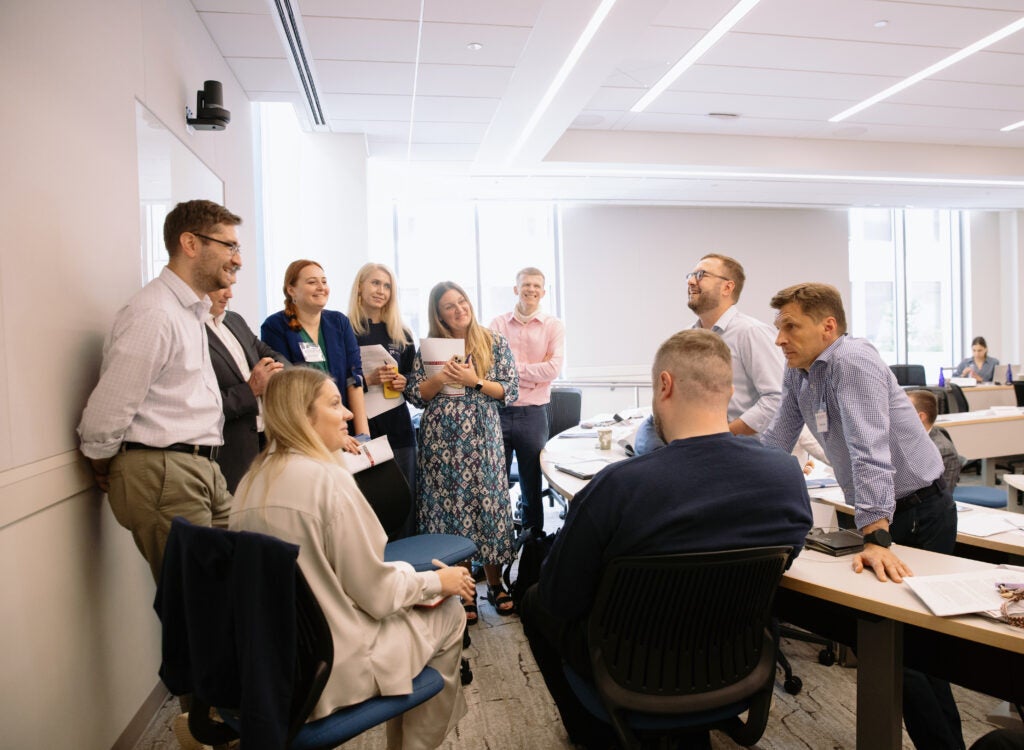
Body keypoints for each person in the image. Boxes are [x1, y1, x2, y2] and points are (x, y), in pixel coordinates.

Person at [520, 329, 813, 749]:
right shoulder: (785, 475)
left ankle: (594, 733)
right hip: (733, 666)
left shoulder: (617, 487)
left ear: (664, 385)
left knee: (534, 601)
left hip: (630, 670)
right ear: (728, 391)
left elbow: (561, 599)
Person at [759, 282, 964, 750]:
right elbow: (776, 440)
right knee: (908, 653)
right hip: (885, 513)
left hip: (918, 510)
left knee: (909, 656)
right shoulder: (800, 373)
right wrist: (731, 478)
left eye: (791, 326)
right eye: (779, 327)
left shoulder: (853, 360)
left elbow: (870, 450)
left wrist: (877, 536)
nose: (780, 339)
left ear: (827, 326)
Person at [229, 368, 473, 750]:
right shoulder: (327, 479)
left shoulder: (250, 482)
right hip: (331, 666)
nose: (347, 414)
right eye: (334, 404)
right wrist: (437, 582)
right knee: (450, 612)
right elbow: (376, 594)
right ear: (302, 416)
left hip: (273, 662)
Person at [77, 199, 241, 582]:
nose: (237, 259)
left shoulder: (189, 311)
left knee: (224, 601)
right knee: (198, 610)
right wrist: (106, 461)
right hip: (167, 470)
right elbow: (108, 409)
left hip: (199, 469)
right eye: (229, 246)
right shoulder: (156, 312)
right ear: (190, 243)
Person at [406, 281, 519, 623]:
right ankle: (466, 590)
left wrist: (474, 380)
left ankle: (497, 584)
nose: (459, 309)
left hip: (482, 438)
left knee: (490, 506)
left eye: (462, 301)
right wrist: (439, 378)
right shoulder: (430, 348)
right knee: (453, 511)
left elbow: (510, 390)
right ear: (438, 314)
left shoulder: (493, 341)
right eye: (449, 306)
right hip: (441, 442)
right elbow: (414, 395)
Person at [633, 253, 783, 454]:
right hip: (696, 449)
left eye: (701, 275)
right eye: (690, 275)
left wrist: (724, 435)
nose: (691, 281)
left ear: (727, 287)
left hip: (740, 452)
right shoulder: (687, 336)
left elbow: (777, 398)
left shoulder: (751, 333)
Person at [261, 259, 369, 453]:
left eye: (324, 281)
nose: (321, 287)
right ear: (291, 290)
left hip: (345, 428)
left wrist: (363, 436)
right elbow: (288, 390)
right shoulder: (275, 327)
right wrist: (331, 435)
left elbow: (354, 379)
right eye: (312, 282)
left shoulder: (339, 322)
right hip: (304, 435)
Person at [489, 267, 565, 535]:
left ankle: (533, 543)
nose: (531, 290)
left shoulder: (553, 326)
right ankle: (499, 542)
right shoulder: (497, 324)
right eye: (526, 285)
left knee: (531, 483)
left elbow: (553, 369)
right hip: (498, 411)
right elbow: (491, 368)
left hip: (533, 414)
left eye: (536, 286)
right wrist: (534, 373)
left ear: (543, 292)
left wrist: (511, 371)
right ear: (515, 289)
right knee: (494, 482)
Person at [348, 263, 418, 506]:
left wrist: (404, 382)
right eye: (375, 283)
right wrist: (368, 380)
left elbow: (414, 380)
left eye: (387, 286)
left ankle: (408, 546)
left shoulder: (402, 333)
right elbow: (332, 384)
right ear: (360, 287)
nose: (381, 290)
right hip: (359, 428)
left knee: (405, 499)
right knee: (369, 502)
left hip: (397, 426)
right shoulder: (344, 330)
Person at [206, 285, 289, 492]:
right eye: (219, 288)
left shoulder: (234, 320)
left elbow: (271, 355)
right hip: (227, 453)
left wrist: (275, 373)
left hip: (265, 443)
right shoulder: (190, 330)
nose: (229, 294)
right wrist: (251, 389)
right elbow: (200, 405)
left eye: (230, 286)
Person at [908, 389, 961, 492]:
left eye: (902, 411)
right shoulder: (906, 439)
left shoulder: (942, 450)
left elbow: (941, 495)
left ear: (920, 417)